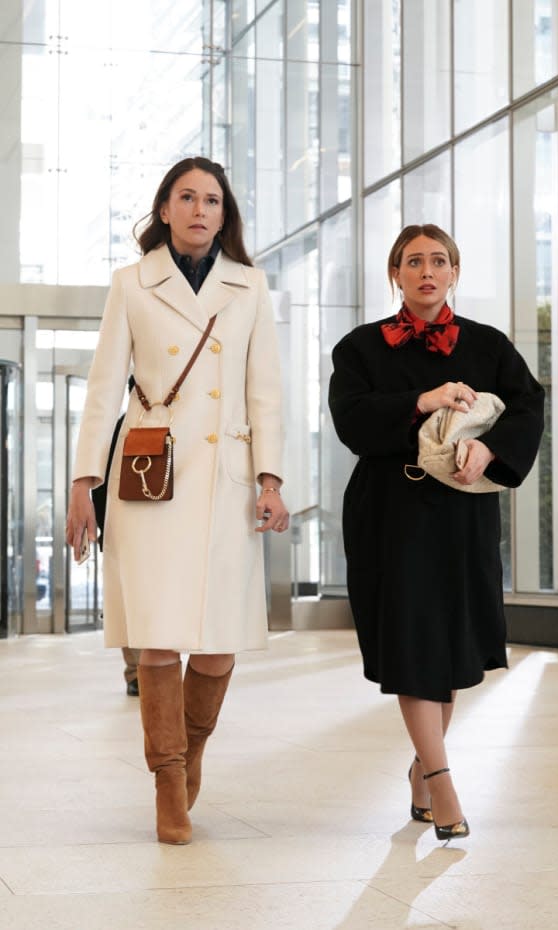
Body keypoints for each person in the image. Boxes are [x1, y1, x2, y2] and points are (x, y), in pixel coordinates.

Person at [65, 156, 289, 845]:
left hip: (226, 477)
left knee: (219, 648)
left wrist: (272, 480)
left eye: (212, 200)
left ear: (225, 215)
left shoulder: (249, 286)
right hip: (149, 478)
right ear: (164, 209)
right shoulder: (132, 283)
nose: (199, 210)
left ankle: (190, 753)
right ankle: (168, 779)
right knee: (158, 640)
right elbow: (104, 389)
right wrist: (83, 486)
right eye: (186, 197)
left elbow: (265, 390)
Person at [328, 224, 544, 842]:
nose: (427, 271)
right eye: (413, 261)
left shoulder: (488, 344)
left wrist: (490, 450)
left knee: (448, 653)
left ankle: (423, 769)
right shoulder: (360, 347)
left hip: (463, 516)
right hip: (389, 517)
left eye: (439, 261)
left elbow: (528, 405)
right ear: (395, 273)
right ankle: (444, 783)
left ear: (454, 272)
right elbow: (351, 420)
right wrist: (421, 401)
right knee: (414, 649)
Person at [91, 376, 141, 697]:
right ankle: (136, 671)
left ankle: (138, 671)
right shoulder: (121, 430)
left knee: (132, 600)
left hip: (130, 531)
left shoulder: (119, 428)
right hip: (125, 529)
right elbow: (101, 488)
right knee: (128, 601)